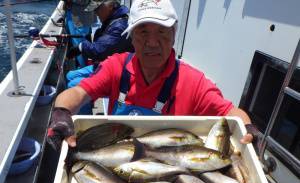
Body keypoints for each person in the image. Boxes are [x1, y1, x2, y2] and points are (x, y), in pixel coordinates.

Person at [47, 0, 260, 153]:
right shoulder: (116, 66)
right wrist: (62, 112)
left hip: (167, 168)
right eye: (142, 32)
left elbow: (231, 112)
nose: (152, 42)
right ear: (131, 37)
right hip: (116, 156)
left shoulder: (193, 82)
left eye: (161, 32)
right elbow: (77, 92)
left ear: (173, 36)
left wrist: (248, 128)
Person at [65, 0, 134, 114]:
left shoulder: (119, 25)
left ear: (111, 6)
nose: (95, 13)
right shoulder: (112, 20)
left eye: (97, 9)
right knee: (70, 75)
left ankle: (85, 121)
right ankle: (88, 102)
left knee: (74, 84)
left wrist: (81, 47)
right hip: (110, 65)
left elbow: (99, 51)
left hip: (121, 74)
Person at [63, 0, 97, 67]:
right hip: (71, 14)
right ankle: (78, 65)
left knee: (79, 45)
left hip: (82, 19)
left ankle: (83, 68)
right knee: (73, 42)